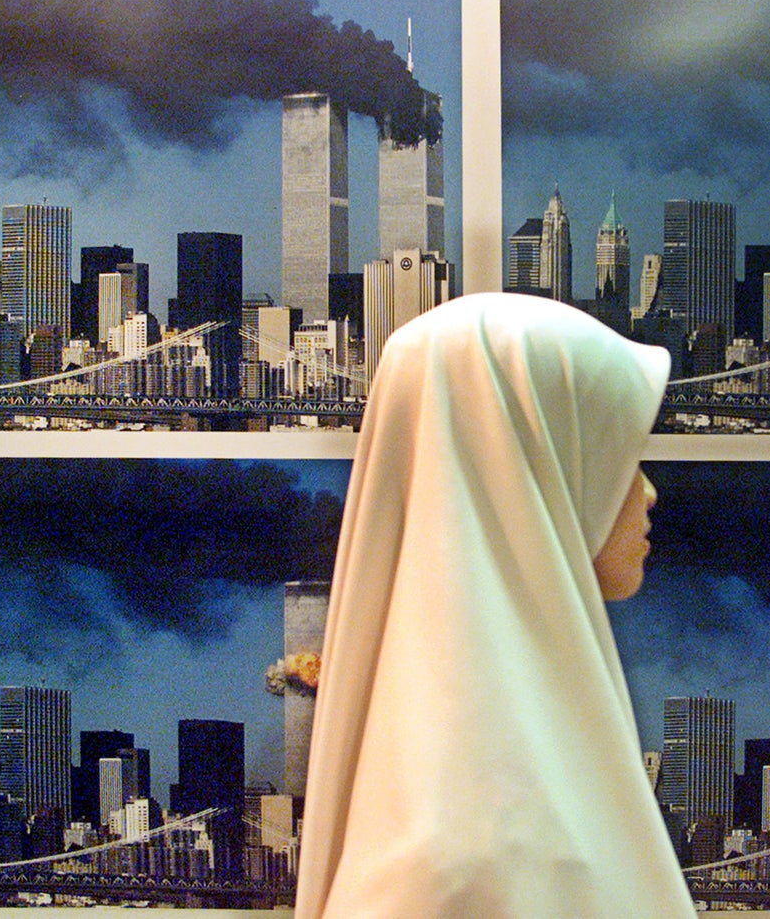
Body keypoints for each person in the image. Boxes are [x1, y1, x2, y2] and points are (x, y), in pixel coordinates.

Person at [295, 292, 695, 917]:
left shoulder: (464, 816)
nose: (647, 490)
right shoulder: (461, 864)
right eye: (618, 455)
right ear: (533, 466)